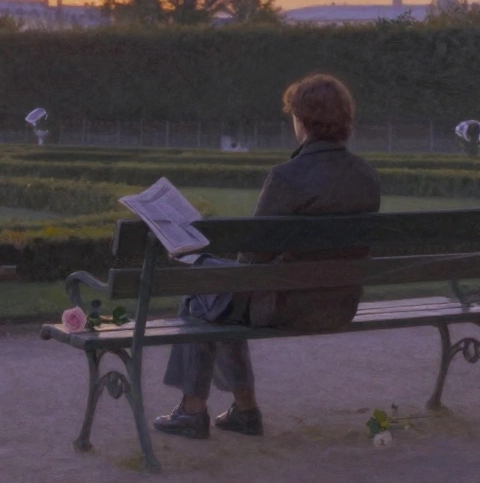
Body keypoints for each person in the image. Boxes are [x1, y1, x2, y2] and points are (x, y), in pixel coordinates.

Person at [152, 73, 381, 440]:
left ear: (302, 121)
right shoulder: (367, 175)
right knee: (217, 293)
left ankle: (195, 410)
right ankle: (243, 411)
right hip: (339, 302)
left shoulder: (286, 177)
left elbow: (250, 262)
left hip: (287, 306)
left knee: (204, 288)